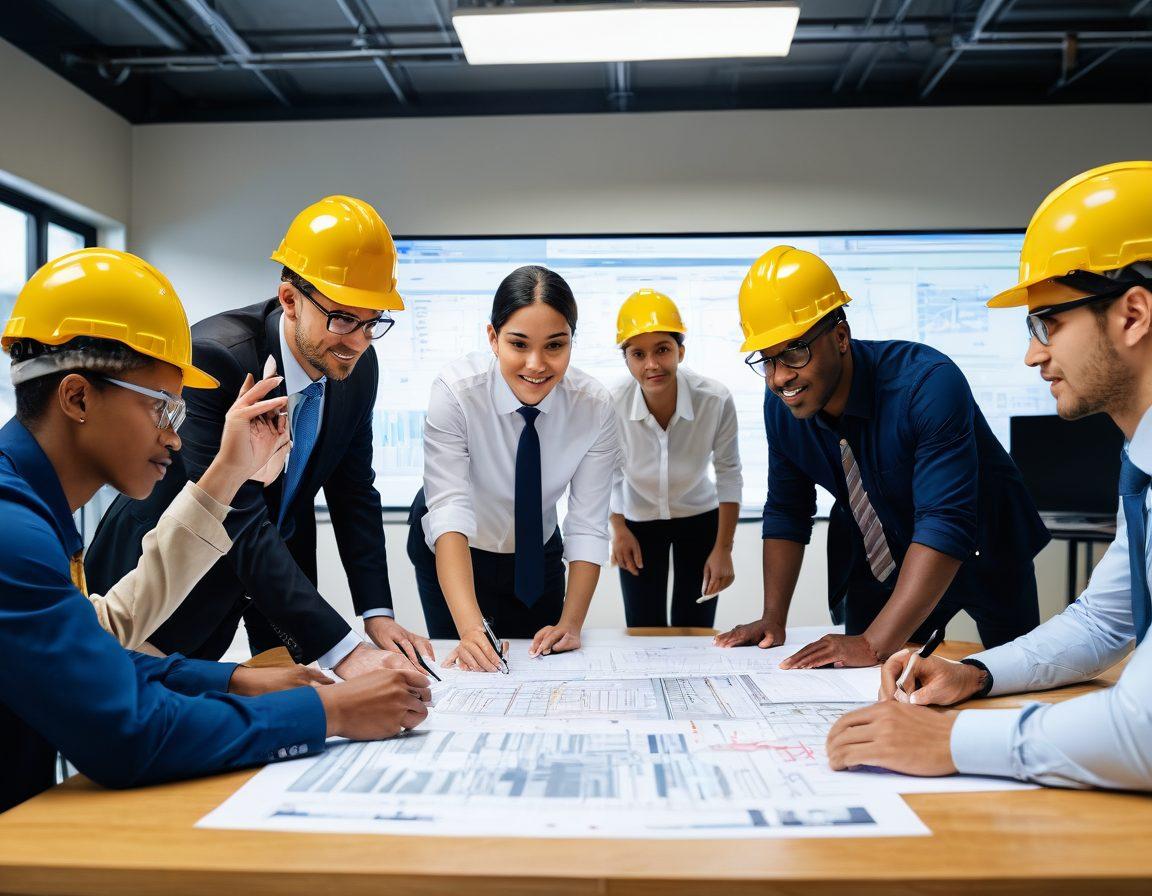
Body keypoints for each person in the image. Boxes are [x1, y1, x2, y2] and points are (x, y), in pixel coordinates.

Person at [0, 248, 429, 814]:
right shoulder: (15, 537)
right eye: (164, 411)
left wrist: (231, 682)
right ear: (77, 396)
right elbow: (127, 733)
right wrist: (331, 712)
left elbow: (97, 641)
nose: (177, 440)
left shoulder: (31, 512)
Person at [826, 161, 1152, 791]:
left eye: (1047, 324)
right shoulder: (1142, 456)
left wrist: (953, 740)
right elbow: (1101, 624)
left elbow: (1143, 732)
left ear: (1133, 315)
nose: (1033, 353)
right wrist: (974, 673)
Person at [86, 196, 430, 679]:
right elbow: (236, 516)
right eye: (344, 318)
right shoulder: (216, 358)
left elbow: (354, 491)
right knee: (152, 718)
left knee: (303, 707)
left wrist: (376, 614)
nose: (358, 340)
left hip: (269, 565)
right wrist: (345, 651)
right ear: (290, 299)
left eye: (374, 322)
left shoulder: (357, 364)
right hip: (156, 581)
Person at [715, 245, 1048, 667]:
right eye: (766, 359)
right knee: (865, 679)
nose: (780, 377)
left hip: (988, 545)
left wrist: (873, 642)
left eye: (795, 352)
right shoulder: (785, 406)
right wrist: (772, 618)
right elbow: (787, 509)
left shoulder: (927, 383)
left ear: (840, 337)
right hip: (886, 553)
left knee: (1013, 673)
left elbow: (945, 522)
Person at [406, 265, 619, 671]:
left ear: (572, 342)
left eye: (555, 346)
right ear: (493, 337)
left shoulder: (593, 406)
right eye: (518, 344)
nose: (536, 364)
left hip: (535, 555)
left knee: (543, 668)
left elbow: (588, 522)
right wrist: (470, 630)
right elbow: (449, 510)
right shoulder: (456, 391)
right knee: (470, 665)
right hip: (456, 548)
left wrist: (572, 624)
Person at [609, 288, 742, 628]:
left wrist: (724, 548)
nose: (651, 364)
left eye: (663, 350)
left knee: (694, 624)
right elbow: (607, 472)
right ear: (626, 360)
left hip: (699, 520)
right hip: (636, 523)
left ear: (680, 352)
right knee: (642, 626)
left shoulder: (714, 399)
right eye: (638, 354)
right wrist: (618, 528)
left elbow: (728, 473)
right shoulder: (611, 404)